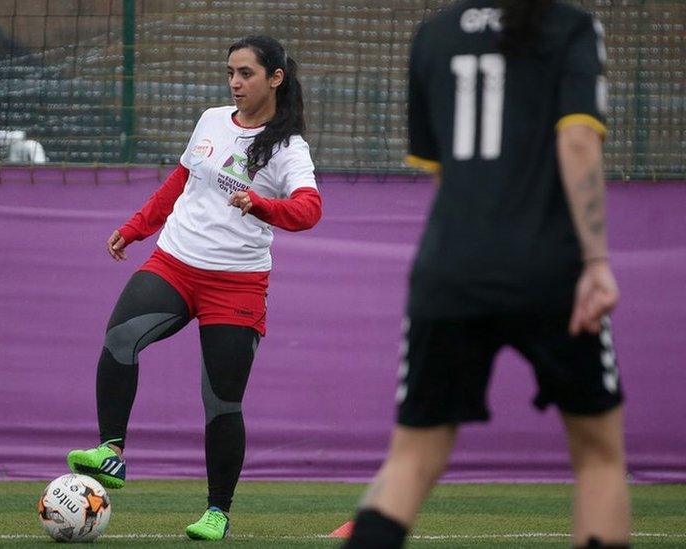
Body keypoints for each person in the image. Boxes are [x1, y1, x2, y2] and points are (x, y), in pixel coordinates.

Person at [343, 1, 628, 548]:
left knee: (411, 460)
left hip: (451, 271)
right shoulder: (569, 26)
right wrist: (596, 262)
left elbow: (442, 173)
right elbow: (578, 140)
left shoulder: (432, 35)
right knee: (598, 458)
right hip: (552, 274)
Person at [66, 35, 322, 541]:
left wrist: (262, 204)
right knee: (120, 337)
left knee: (222, 403)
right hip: (175, 263)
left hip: (237, 285)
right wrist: (137, 226)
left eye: (245, 73)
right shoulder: (211, 119)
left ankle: (217, 512)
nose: (234, 82)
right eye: (230, 72)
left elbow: (310, 210)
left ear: (275, 78)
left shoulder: (289, 148)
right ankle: (110, 453)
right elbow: (180, 181)